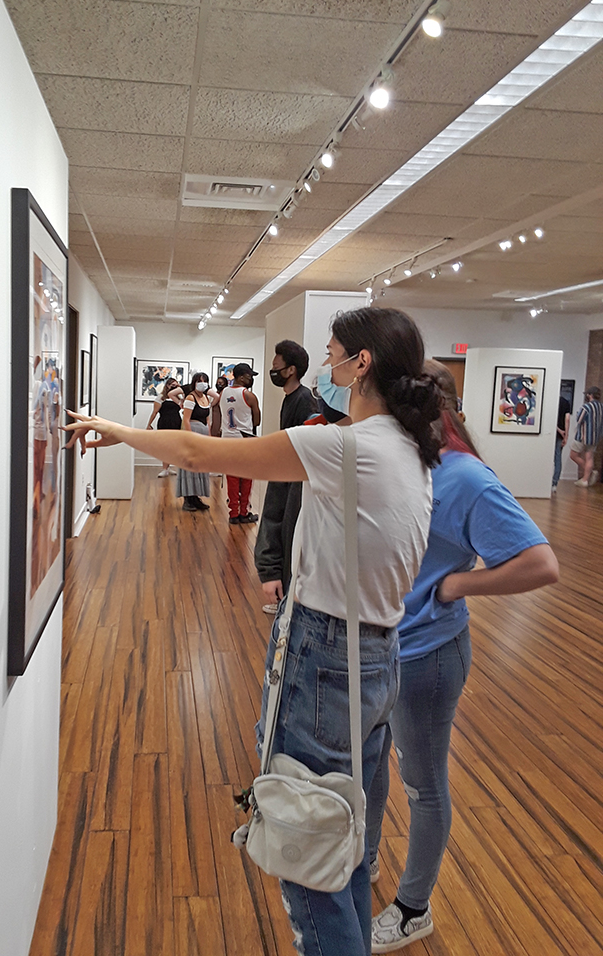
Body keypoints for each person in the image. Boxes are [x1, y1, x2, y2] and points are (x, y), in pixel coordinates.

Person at [63, 306, 443, 956]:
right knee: (341, 840)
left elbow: (196, 451)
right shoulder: (412, 452)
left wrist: (117, 430)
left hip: (326, 659)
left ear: (362, 364)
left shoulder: (348, 447)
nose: (325, 365)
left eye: (332, 354)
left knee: (306, 861)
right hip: (378, 657)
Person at [367, 360, 559, 954]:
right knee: (372, 763)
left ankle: (412, 908)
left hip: (429, 655)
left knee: (422, 786)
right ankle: (364, 860)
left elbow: (539, 562)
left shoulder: (467, 478)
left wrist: (454, 586)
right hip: (381, 647)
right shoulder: (402, 465)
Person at [254, 340, 317, 614]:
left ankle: (288, 597)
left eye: (276, 367)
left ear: (291, 370)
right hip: (286, 475)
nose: (273, 371)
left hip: (295, 481)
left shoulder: (304, 400)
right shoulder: (291, 398)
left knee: (290, 533)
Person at [219, 362, 262, 524]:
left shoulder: (223, 393)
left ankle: (233, 514)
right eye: (250, 376)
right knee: (246, 478)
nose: (251, 379)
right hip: (245, 441)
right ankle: (244, 512)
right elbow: (257, 421)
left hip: (228, 440)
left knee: (232, 478)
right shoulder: (249, 395)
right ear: (242, 377)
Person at [176, 372, 213, 511]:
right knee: (189, 465)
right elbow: (186, 419)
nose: (202, 383)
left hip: (203, 432)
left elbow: (208, 419)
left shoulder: (206, 398)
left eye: (205, 381)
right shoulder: (190, 398)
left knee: (200, 466)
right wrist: (190, 437)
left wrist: (209, 436)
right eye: (199, 381)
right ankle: (188, 499)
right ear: (194, 382)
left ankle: (196, 497)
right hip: (193, 431)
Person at [145, 377, 183, 477]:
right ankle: (164, 468)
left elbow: (184, 405)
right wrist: (149, 424)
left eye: (176, 385)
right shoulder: (161, 397)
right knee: (165, 446)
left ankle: (168, 467)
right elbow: (155, 412)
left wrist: (180, 388)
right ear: (167, 385)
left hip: (176, 422)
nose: (173, 387)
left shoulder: (178, 398)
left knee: (174, 447)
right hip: (165, 423)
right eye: (172, 385)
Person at [569, 385, 603, 487]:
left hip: (582, 436)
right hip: (595, 437)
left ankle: (589, 474)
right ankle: (586, 479)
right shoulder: (601, 407)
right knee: (589, 457)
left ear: (590, 395)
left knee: (573, 455)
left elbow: (579, 420)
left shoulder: (586, 407)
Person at [552, 392, 571, 493]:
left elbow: (551, 420)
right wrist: (566, 436)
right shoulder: (565, 402)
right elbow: (567, 419)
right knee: (558, 458)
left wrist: (558, 430)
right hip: (561, 435)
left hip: (550, 434)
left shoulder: (551, 401)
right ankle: (554, 483)